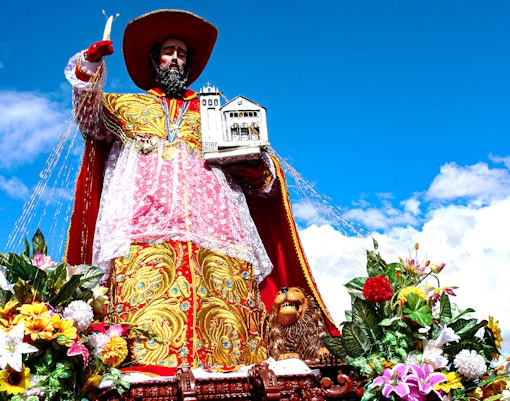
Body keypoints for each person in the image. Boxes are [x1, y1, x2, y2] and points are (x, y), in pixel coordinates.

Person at [65, 9, 339, 375]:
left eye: (181, 53)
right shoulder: (126, 106)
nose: (175, 58)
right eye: (168, 51)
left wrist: (258, 169)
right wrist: (91, 64)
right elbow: (88, 118)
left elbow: (265, 175)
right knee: (143, 317)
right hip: (144, 226)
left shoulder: (214, 111)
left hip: (217, 230)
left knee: (224, 314)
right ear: (154, 59)